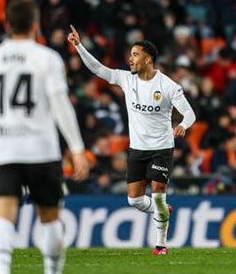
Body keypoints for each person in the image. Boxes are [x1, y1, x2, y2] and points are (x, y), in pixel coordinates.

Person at [0, 0, 89, 274]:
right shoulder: (47, 58)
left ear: (6, 25)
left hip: (4, 149)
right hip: (42, 149)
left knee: (2, 215)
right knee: (50, 217)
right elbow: (60, 104)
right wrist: (77, 148)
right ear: (35, 24)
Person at [68, 25, 196, 255]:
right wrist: (79, 46)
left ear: (148, 60)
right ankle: (162, 210)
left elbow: (190, 113)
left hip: (161, 148)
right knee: (134, 201)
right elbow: (98, 69)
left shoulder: (167, 85)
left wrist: (183, 126)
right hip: (137, 149)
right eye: (131, 55)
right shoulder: (126, 79)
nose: (130, 59)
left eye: (135, 55)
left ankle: (161, 245)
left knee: (157, 194)